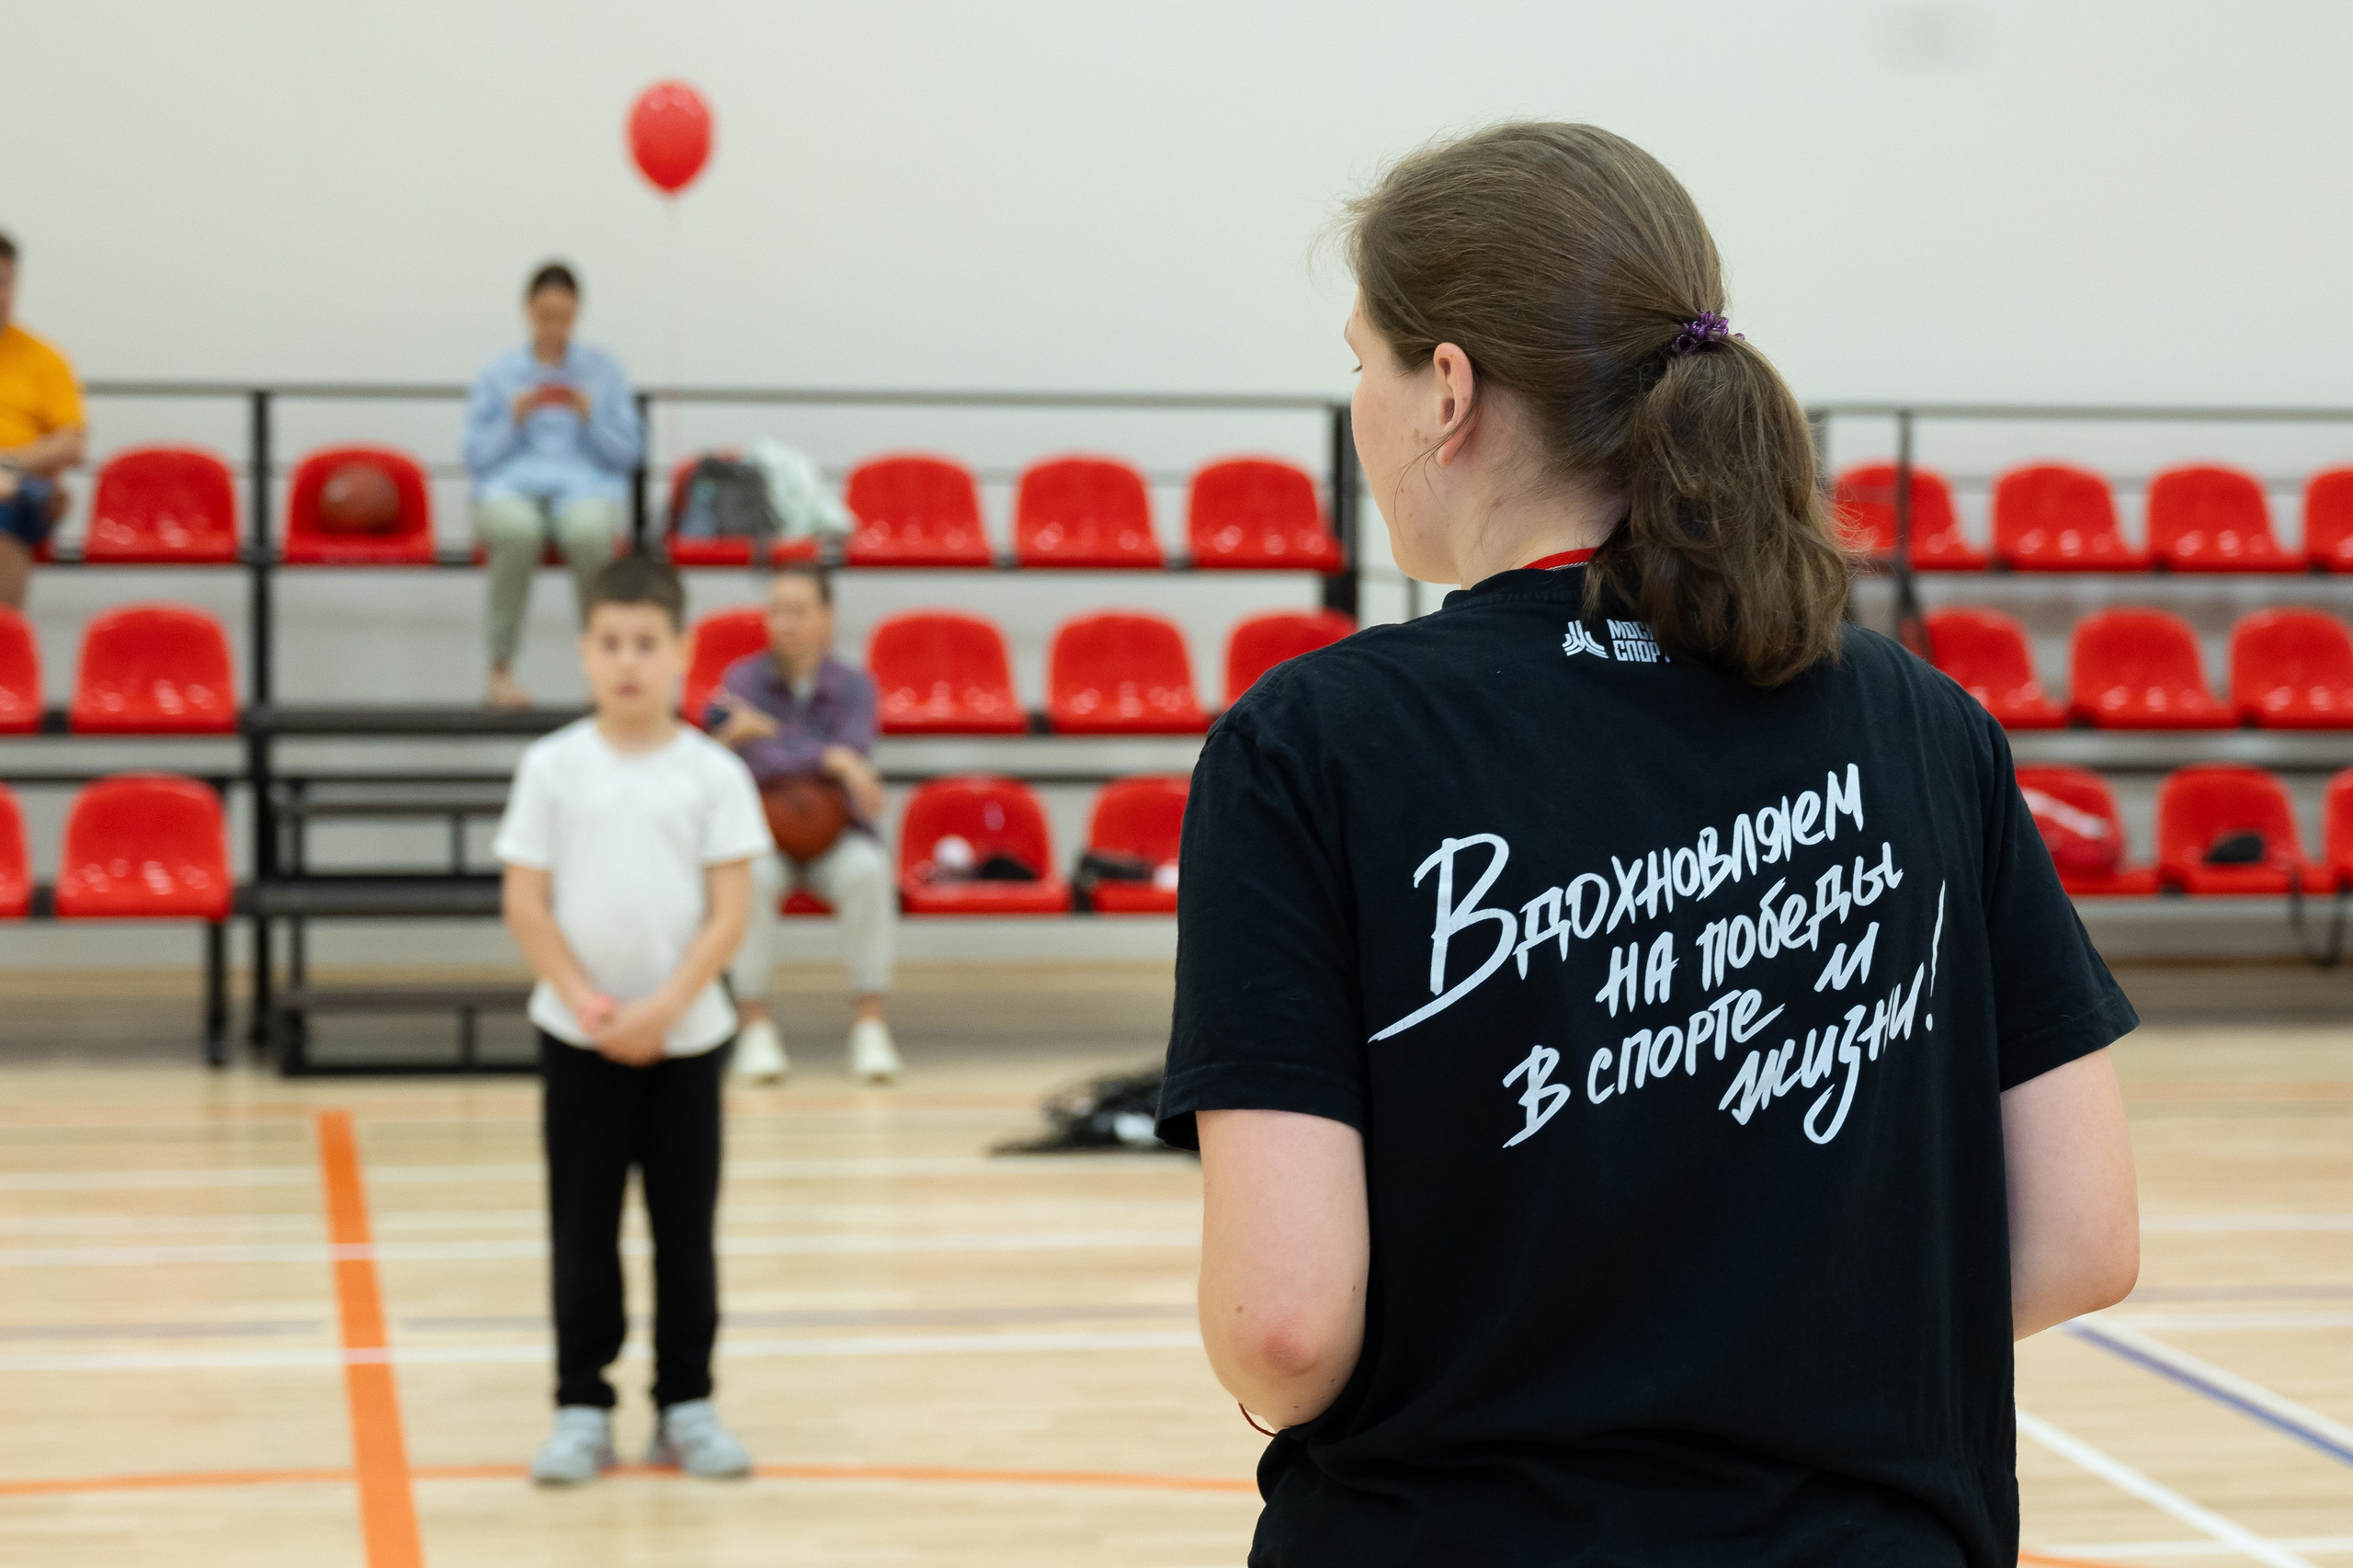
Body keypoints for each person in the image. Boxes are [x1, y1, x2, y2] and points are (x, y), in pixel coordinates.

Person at [1158, 123, 2140, 1568]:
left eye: (1361, 358)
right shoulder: (1931, 726)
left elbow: (1285, 1327)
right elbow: (2079, 1239)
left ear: (1447, 391)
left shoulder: (1310, 743)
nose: (1357, 405)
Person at [494, 552, 770, 1486]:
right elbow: (527, 901)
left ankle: (686, 1401)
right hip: (580, 1036)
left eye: (646, 643)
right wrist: (586, 999)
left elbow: (728, 913)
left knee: (683, 1228)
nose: (628, 660)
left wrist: (662, 1007)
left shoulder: (713, 773)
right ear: (584, 651)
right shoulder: (552, 766)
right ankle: (581, 1403)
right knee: (582, 1226)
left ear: (682, 651)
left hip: (685, 1038)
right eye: (610, 642)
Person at [710, 567, 903, 1085]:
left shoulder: (856, 686)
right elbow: (742, 762)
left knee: (869, 872)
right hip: (764, 835)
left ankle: (869, 1025)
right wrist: (828, 758)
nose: (785, 623)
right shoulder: (742, 679)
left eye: (798, 611)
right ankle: (755, 1026)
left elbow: (855, 749)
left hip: (835, 836)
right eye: (776, 611)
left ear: (826, 618)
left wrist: (768, 736)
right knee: (745, 875)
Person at [463, 261, 643, 709]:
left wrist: (591, 416)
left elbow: (629, 455)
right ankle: (500, 671)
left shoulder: (603, 372)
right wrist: (512, 418)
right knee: (516, 532)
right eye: (544, 316)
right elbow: (475, 459)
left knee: (589, 535)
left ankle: (603, 673)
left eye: (563, 317)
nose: (553, 327)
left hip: (582, 490)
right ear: (528, 311)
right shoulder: (498, 373)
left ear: (577, 314)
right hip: (510, 489)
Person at [0, 233, 87, 608]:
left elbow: (72, 442)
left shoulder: (44, 358)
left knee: (7, 508)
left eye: (5, 283)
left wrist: (8, 465)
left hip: (21, 488)